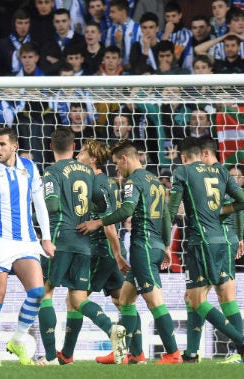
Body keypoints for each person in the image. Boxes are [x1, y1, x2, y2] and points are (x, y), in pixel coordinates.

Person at [77, 140, 182, 364]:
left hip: (142, 247)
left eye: (117, 164)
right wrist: (165, 245)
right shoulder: (154, 179)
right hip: (154, 245)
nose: (116, 169)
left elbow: (126, 209)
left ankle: (173, 354)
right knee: (125, 298)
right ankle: (130, 353)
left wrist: (98, 222)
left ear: (125, 158)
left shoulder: (133, 181)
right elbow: (165, 216)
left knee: (155, 302)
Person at [36, 130, 125, 366]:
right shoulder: (90, 174)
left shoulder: (51, 171)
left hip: (60, 239)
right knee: (77, 298)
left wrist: (39, 203)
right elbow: (100, 201)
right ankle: (111, 327)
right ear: (74, 146)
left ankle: (51, 357)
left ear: (50, 146)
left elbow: (53, 205)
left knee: (44, 293)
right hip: (84, 244)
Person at [166, 137, 244, 363]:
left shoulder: (182, 171)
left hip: (202, 241)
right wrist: (223, 214)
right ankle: (193, 354)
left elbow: (172, 208)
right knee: (217, 296)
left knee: (196, 298)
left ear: (184, 157)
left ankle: (241, 344)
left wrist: (165, 240)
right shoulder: (222, 172)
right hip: (226, 241)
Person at [0, 127, 55, 367]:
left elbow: (40, 204)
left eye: (1, 144)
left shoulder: (29, 167)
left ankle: (18, 340)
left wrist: (46, 238)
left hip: (26, 241)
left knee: (38, 292)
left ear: (14, 146)